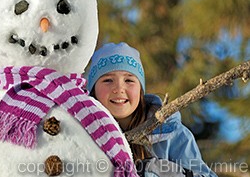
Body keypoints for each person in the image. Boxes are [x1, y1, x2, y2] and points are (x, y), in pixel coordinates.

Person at [87, 42, 217, 177]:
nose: (119, 88)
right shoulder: (80, 131)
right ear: (93, 90)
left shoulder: (171, 133)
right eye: (108, 80)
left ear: (140, 89)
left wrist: (168, 173)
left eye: (129, 80)